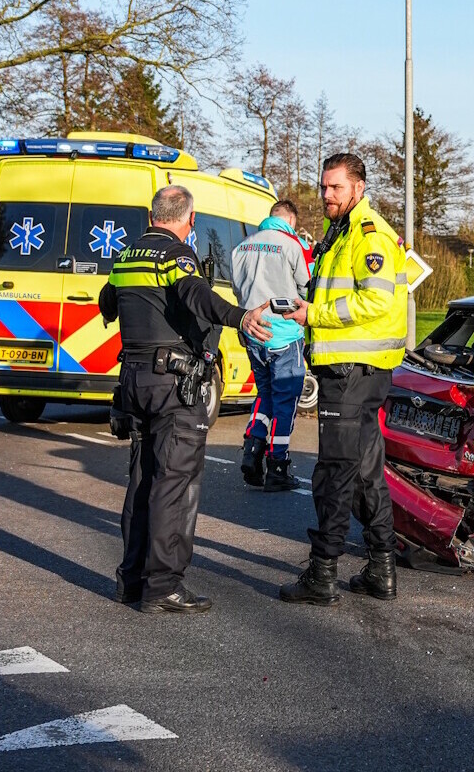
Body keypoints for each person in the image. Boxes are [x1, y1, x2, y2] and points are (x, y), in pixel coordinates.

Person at [99, 184, 273, 614]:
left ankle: (132, 581)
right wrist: (240, 317)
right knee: (175, 484)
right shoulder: (177, 255)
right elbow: (196, 295)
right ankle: (162, 587)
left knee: (142, 481)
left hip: (134, 381)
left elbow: (107, 304)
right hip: (173, 386)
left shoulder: (126, 256)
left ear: (151, 214)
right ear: (190, 219)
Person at [276, 152, 407, 606]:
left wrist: (315, 314)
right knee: (366, 473)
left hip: (351, 372)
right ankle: (381, 569)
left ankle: (323, 574)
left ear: (358, 188)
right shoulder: (345, 232)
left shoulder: (367, 234)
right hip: (359, 372)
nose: (326, 194)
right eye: (324, 186)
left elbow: (376, 301)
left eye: (335, 187)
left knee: (334, 473)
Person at [232, 199, 312, 492]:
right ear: (291, 220)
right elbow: (306, 288)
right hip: (285, 335)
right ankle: (278, 465)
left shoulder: (242, 246)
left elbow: (237, 289)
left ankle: (252, 448)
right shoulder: (292, 245)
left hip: (254, 334)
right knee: (285, 401)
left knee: (264, 393)